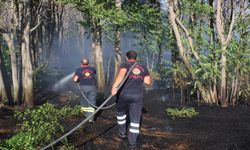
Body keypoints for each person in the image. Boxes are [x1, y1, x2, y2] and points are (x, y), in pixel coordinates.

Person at [111, 50, 152, 149]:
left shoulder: (125, 64)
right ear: (136, 58)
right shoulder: (143, 67)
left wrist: (114, 87)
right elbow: (148, 82)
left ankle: (122, 133)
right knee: (135, 120)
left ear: (126, 57)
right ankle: (132, 143)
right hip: (137, 97)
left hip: (123, 95)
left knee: (120, 113)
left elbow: (121, 75)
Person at [73, 58, 97, 122]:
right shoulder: (93, 69)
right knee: (92, 102)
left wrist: (77, 77)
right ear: (88, 63)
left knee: (84, 101)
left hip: (83, 87)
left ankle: (85, 116)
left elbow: (75, 80)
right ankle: (91, 118)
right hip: (92, 87)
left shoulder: (78, 70)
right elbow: (93, 74)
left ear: (81, 64)